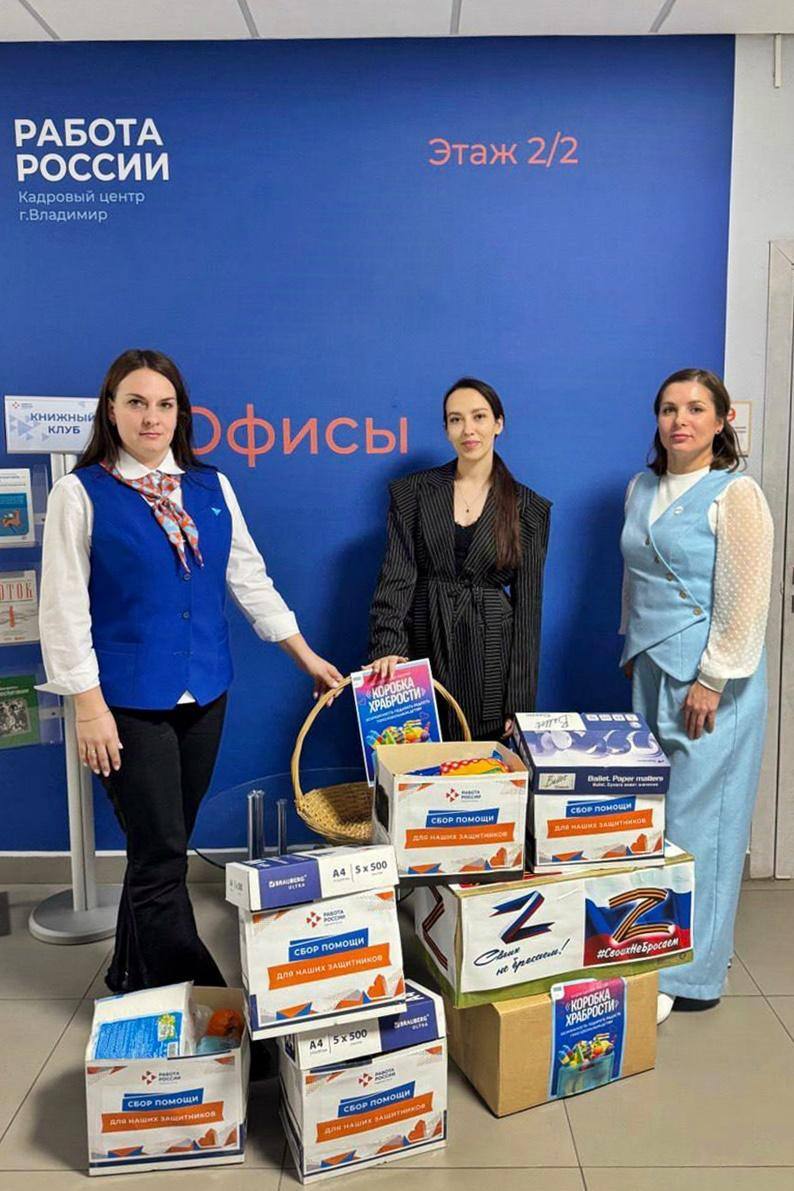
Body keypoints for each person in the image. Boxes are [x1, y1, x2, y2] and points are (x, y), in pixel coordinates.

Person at [38, 348, 342, 993]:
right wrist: (88, 708)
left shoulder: (211, 487)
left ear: (180, 413)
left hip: (205, 691)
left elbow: (248, 579)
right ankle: (196, 1002)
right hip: (124, 703)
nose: (151, 417)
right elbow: (62, 610)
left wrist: (306, 656)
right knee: (160, 855)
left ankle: (129, 974)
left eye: (164, 404)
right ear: (111, 411)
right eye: (136, 403)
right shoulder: (80, 493)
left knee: (163, 845)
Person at [620, 368, 773, 1023]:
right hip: (652, 667)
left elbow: (746, 596)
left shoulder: (736, 493)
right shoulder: (641, 487)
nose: (679, 420)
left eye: (695, 408)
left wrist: (712, 679)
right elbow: (635, 578)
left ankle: (691, 975)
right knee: (653, 822)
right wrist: (632, 646)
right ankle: (658, 948)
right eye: (668, 408)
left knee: (700, 827)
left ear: (720, 420)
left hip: (713, 681)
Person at [368, 377, 551, 740]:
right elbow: (397, 577)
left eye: (479, 416)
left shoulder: (530, 508)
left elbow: (528, 610)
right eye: (456, 419)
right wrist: (388, 646)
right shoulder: (412, 493)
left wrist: (519, 701)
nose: (468, 429)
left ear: (498, 423)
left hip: (490, 658)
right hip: (422, 645)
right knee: (416, 752)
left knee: (480, 763)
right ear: (446, 429)